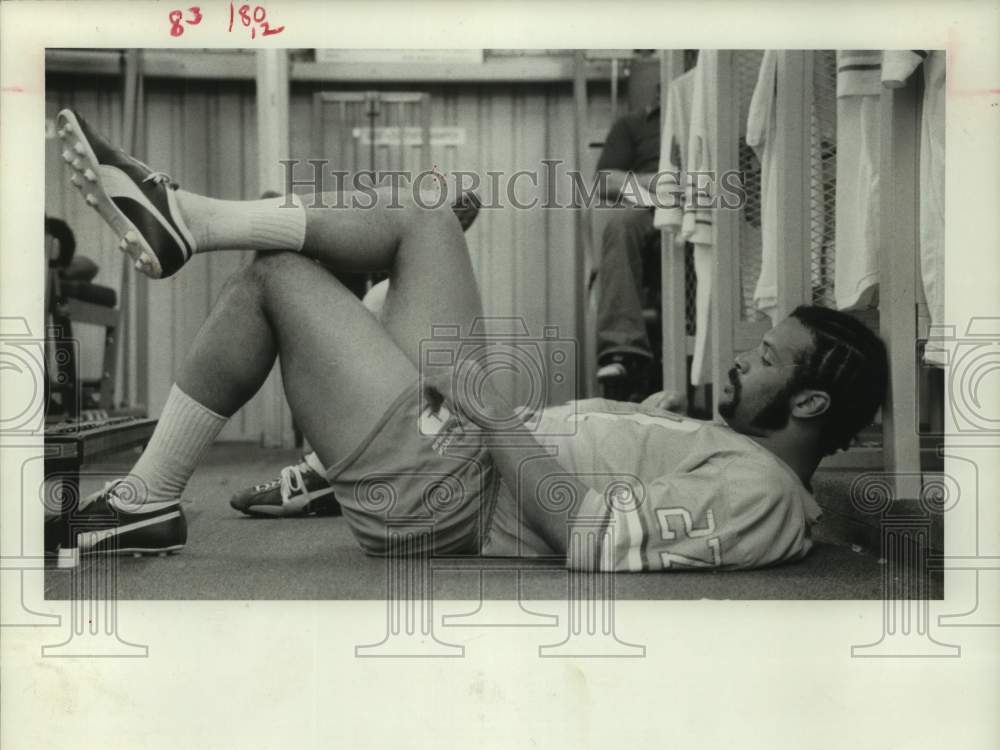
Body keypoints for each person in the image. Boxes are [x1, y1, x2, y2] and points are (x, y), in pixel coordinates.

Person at [55, 108, 888, 572]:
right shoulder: (744, 458)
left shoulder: (765, 498)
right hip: (453, 448)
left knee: (278, 275)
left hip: (441, 491)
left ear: (809, 401)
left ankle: (149, 492)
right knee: (434, 210)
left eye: (769, 358)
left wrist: (491, 415)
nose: (745, 352)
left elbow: (592, 539)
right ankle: (210, 226)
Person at [228, 191, 481, 519]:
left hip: (414, 448)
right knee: (369, 303)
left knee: (371, 302)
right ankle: (396, 262)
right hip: (393, 430)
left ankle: (323, 471)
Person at [593, 98, 663, 402]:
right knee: (621, 223)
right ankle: (623, 354)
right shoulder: (633, 124)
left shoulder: (718, 110)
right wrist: (654, 187)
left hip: (708, 212)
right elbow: (606, 181)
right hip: (650, 210)